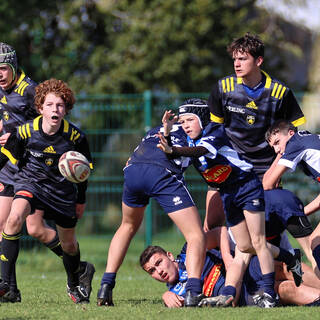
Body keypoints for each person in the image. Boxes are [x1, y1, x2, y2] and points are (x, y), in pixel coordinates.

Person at [157, 99, 303, 307]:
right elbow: (176, 159)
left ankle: (270, 294)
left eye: (190, 119)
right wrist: (168, 131)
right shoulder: (190, 143)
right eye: (183, 121)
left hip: (247, 187)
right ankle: (290, 257)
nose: (186, 125)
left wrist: (174, 150)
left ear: (202, 119)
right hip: (227, 194)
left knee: (258, 241)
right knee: (245, 246)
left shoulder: (214, 132)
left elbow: (198, 152)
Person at [0, 42, 95, 302]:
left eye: (60, 106)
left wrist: (81, 198)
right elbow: (8, 142)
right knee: (11, 220)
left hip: (59, 186)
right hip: (27, 175)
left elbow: (86, 168)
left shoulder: (74, 135)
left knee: (60, 240)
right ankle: (7, 287)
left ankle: (77, 273)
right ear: (41, 108)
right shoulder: (25, 130)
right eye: (50, 105)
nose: (55, 109)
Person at [96, 116, 206, 308]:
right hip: (160, 171)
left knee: (127, 225)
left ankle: (105, 286)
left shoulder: (156, 129)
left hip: (132, 170)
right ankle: (194, 292)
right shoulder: (197, 132)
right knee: (195, 235)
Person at [205, 32, 306, 230]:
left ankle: (287, 259)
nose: (237, 64)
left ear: (258, 60)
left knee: (267, 231)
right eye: (235, 59)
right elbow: (213, 131)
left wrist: (278, 166)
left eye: (243, 58)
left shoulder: (280, 92)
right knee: (211, 228)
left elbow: (293, 134)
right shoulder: (223, 88)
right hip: (228, 164)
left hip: (265, 170)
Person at [140, 242, 320, 308]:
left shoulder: (190, 249)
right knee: (284, 289)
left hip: (246, 268)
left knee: (285, 267)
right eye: (152, 271)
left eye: (158, 263)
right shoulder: (176, 295)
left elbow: (220, 232)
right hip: (243, 295)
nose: (159, 271)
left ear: (169, 256)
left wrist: (226, 256)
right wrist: (166, 296)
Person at [263, 119, 320, 276]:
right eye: (273, 147)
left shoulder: (295, 144)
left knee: (315, 241)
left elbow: (267, 184)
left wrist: (280, 154)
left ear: (290, 133)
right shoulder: (306, 139)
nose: (276, 149)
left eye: (277, 142)